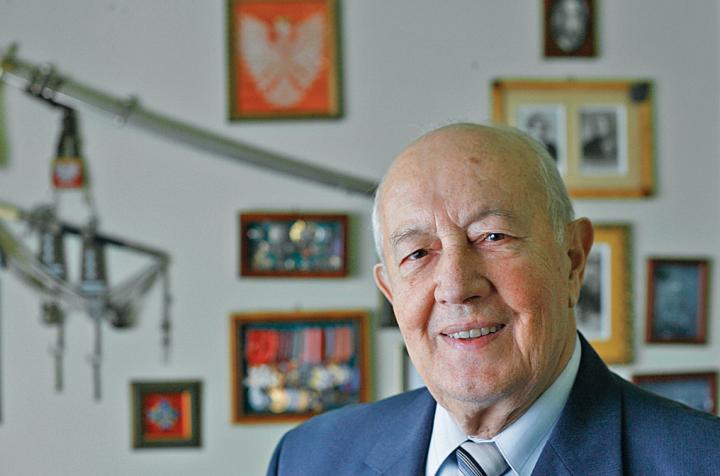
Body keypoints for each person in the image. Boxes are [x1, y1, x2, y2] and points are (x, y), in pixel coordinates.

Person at [266, 123, 720, 475]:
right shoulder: (307, 460)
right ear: (390, 292)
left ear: (572, 260)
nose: (456, 286)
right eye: (418, 253)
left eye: (492, 236)